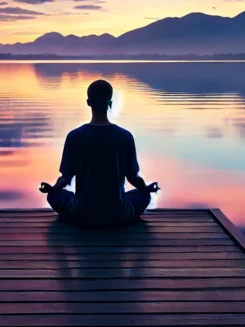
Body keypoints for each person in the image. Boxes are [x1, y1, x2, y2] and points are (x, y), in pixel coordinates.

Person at [39, 79, 159, 229]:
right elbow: (133, 177)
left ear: (88, 102)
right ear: (110, 103)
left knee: (55, 195)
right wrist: (147, 189)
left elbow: (65, 179)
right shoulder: (125, 136)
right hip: (118, 214)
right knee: (143, 194)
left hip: (82, 214)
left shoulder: (75, 136)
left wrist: (51, 189)